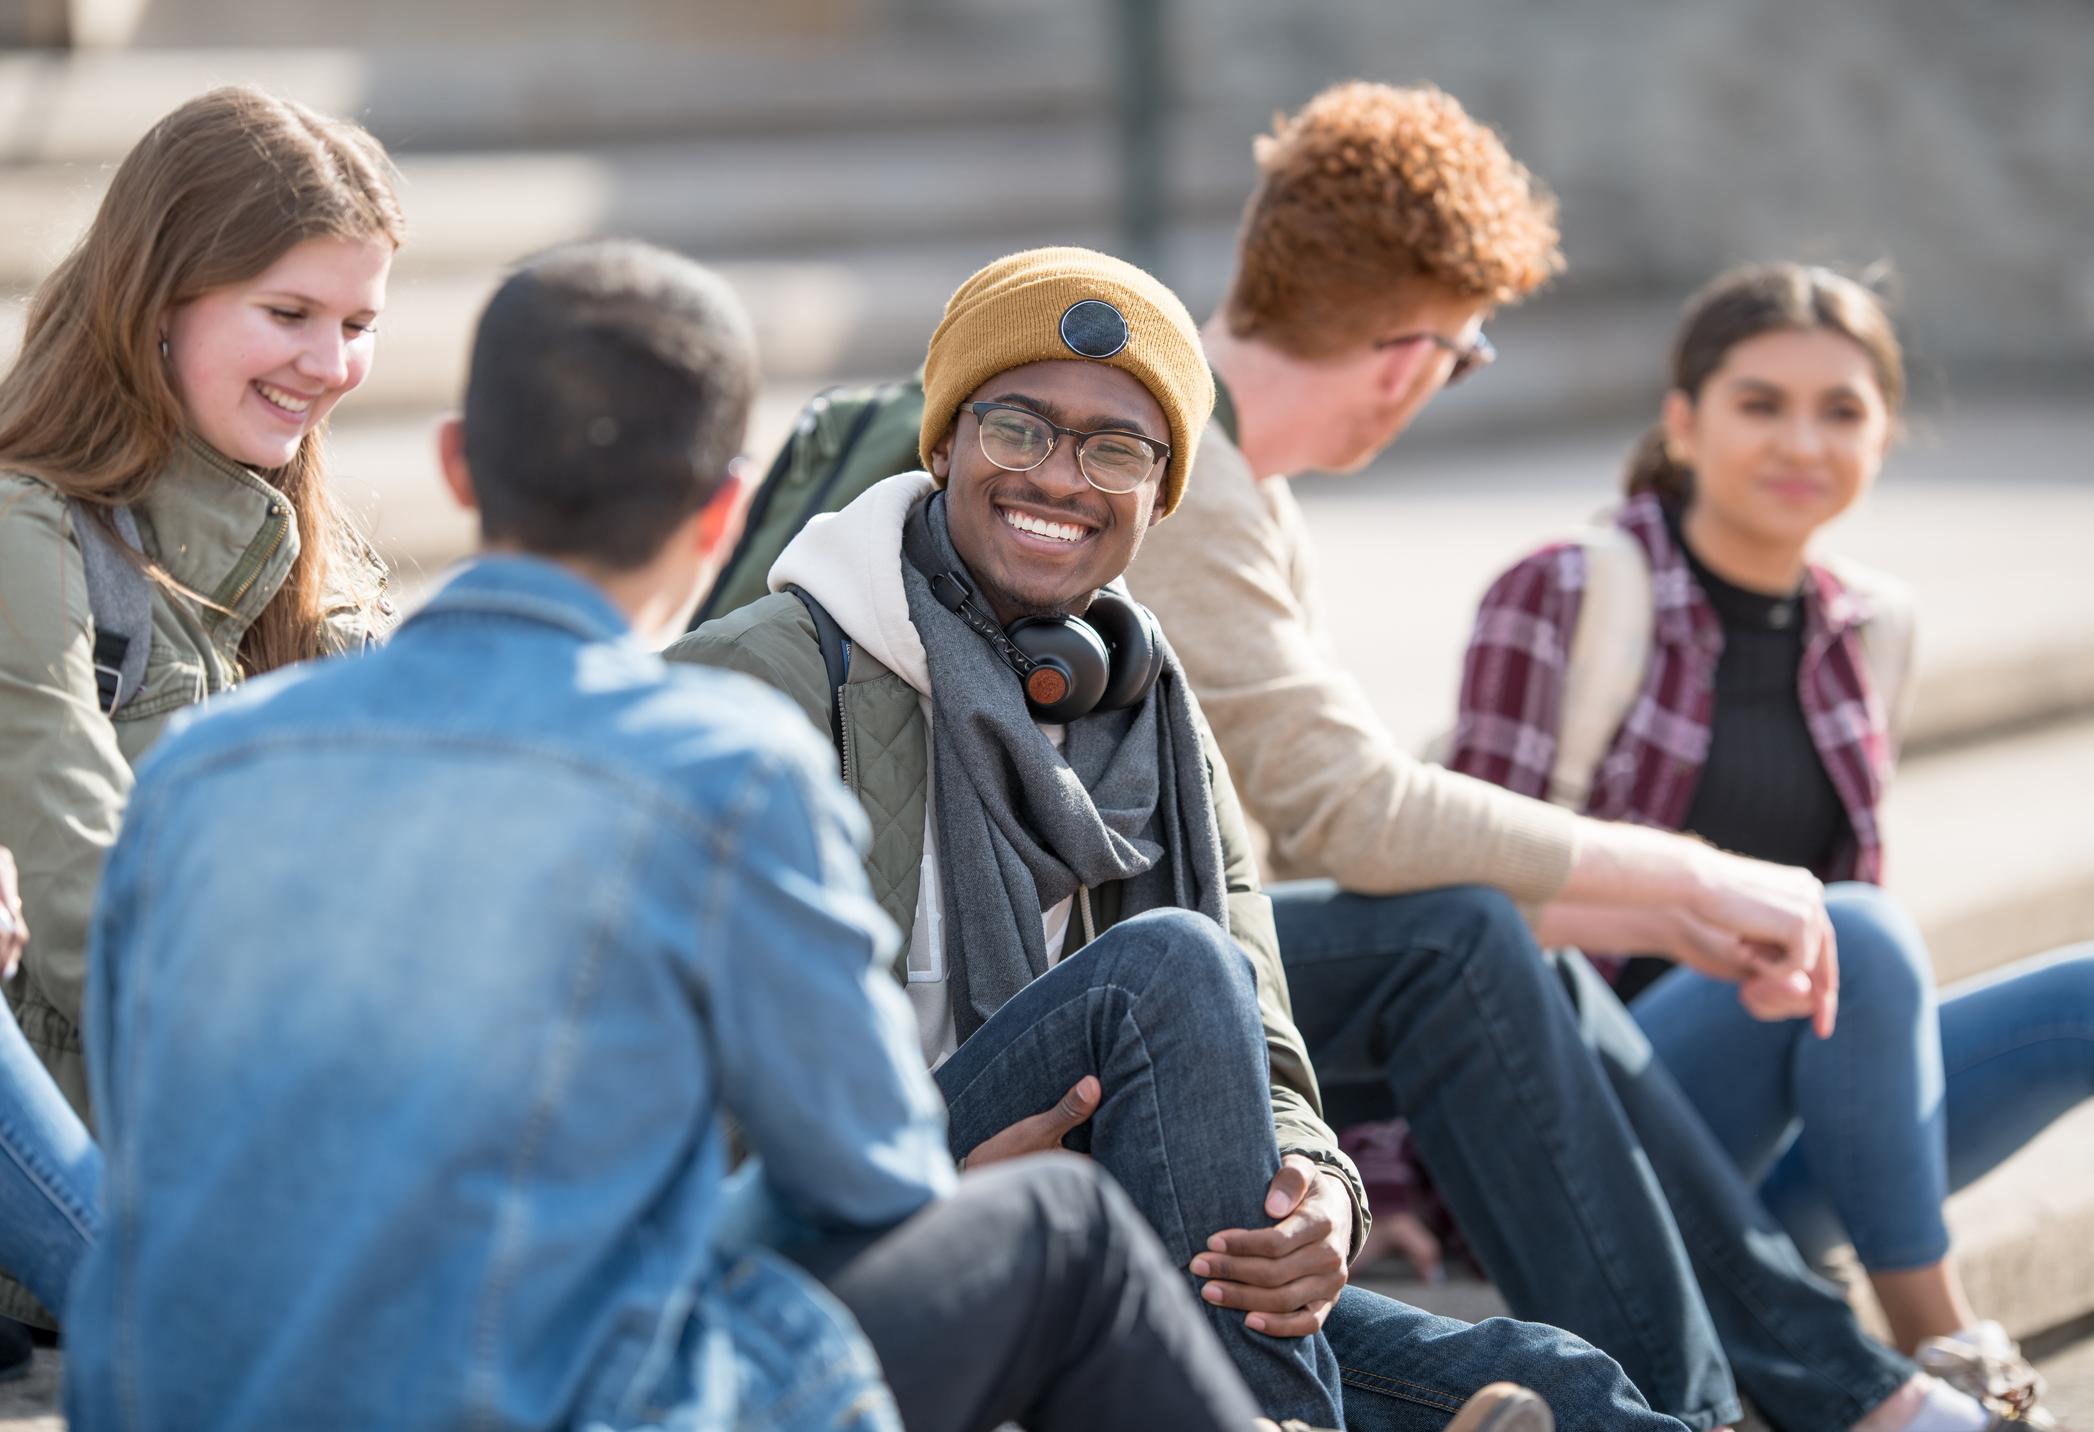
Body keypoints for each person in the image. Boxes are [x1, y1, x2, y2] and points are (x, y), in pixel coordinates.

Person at [61, 236, 1350, 1432]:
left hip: (180, 1394)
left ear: (459, 466)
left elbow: (147, 1126)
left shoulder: (207, 768)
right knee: (1063, 1225)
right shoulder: (720, 769)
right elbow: (869, 1181)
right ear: (722, 517)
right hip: (542, 1392)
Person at [1124, 82, 2021, 1431]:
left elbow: (1315, 850)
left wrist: (1661, 906)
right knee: (1461, 939)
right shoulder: (1189, 483)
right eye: (1466, 354)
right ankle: (1746, 1403)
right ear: (1405, 352)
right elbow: (1353, 820)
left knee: (1492, 936)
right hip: (1113, 979)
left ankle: (1805, 1395)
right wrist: (1697, 880)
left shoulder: (1239, 482)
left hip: (1186, 955)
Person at [672, 244, 1677, 1432]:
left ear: (1162, 495)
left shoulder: (1153, 709)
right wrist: (922, 1190)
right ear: (942, 443)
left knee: (1565, 1388)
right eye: (1017, 429)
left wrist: (1322, 1202)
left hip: (1125, 1221)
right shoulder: (763, 679)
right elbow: (659, 1079)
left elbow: (1260, 1030)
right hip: (841, 1224)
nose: (1061, 477)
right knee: (1162, 966)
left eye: (1117, 450)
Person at [1451, 260, 2094, 1429]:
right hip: (1579, 1136)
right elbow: (1455, 905)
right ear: (1684, 422)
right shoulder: (1566, 592)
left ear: (1886, 435)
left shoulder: (1870, 629)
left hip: (1760, 1155)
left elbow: (1847, 992)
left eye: (1842, 410)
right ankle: (1937, 1352)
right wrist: (1395, 1181)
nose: (1803, 439)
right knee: (1848, 926)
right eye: (1760, 403)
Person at [0, 83, 399, 1340]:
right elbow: (89, 896)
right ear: (158, 300)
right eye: (287, 314)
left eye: (356, 322)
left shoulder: (306, 564)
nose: (329, 366)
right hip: (104, 1173)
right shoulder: (29, 535)